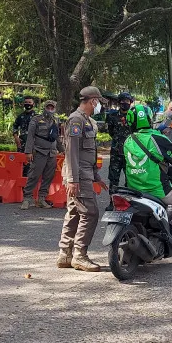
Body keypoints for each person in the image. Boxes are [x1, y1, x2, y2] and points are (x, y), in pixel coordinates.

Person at [124, 105, 172, 239]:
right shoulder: (158, 139)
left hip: (134, 190)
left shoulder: (128, 140)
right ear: (150, 119)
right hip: (156, 190)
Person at [56, 86, 108, 272]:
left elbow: (89, 153)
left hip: (84, 174)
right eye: (98, 102)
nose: (99, 105)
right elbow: (71, 153)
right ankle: (79, 255)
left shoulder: (87, 121)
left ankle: (65, 254)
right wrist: (72, 179)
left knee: (75, 212)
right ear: (92, 101)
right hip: (77, 175)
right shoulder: (76, 120)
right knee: (90, 212)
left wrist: (96, 176)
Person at [21, 100, 64, 210]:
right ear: (44, 108)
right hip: (39, 151)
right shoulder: (36, 119)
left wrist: (62, 150)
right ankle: (27, 198)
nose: (50, 110)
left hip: (52, 152)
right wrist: (28, 152)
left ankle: (41, 199)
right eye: (48, 107)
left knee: (48, 177)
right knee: (34, 175)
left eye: (52, 108)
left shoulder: (56, 120)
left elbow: (57, 137)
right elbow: (30, 136)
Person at [103, 92, 134, 210]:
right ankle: (112, 202)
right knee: (113, 179)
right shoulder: (112, 116)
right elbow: (111, 132)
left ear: (130, 102)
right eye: (122, 101)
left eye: (127, 101)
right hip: (116, 153)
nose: (124, 103)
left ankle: (128, 202)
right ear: (119, 102)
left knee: (130, 179)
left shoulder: (133, 116)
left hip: (130, 154)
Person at [13, 96, 37, 176]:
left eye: (29, 102)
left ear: (33, 104)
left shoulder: (37, 117)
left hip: (34, 145)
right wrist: (16, 138)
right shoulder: (20, 116)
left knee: (32, 164)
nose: (28, 104)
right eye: (26, 102)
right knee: (20, 163)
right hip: (22, 144)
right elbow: (15, 127)